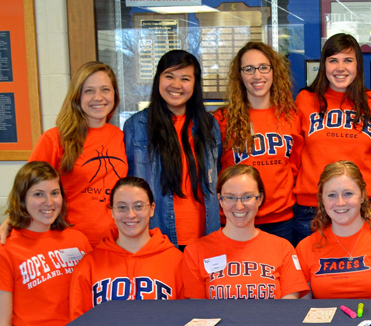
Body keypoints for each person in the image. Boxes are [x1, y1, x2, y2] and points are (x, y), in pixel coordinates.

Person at [4, 62, 127, 247]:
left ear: (114, 94)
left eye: (105, 89)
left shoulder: (121, 136)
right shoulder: (55, 139)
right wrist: (9, 222)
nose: (98, 97)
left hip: (114, 243)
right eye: (89, 91)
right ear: (77, 96)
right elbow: (26, 189)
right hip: (68, 244)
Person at [293, 33, 371, 244]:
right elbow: (294, 152)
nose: (340, 67)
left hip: (362, 205)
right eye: (333, 60)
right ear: (324, 65)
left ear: (358, 65)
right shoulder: (305, 99)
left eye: (348, 60)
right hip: (312, 207)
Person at [124, 50, 222, 248]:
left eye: (185, 78)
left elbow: (216, 174)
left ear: (195, 84)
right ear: (158, 79)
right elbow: (129, 184)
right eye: (169, 76)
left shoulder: (209, 126)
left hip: (205, 237)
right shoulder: (136, 126)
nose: (176, 85)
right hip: (155, 237)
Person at [214, 42, 303, 243]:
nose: (257, 75)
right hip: (236, 218)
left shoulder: (291, 116)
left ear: (274, 71)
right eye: (249, 69)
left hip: (281, 221)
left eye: (263, 67)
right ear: (239, 75)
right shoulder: (222, 119)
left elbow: (295, 166)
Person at [295, 161, 371, 299]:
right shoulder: (306, 248)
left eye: (348, 193)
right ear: (321, 200)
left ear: (362, 196)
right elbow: (302, 309)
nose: (340, 202)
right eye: (331, 195)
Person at [181, 165, 307, 299]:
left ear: (260, 198)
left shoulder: (283, 248)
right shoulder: (195, 251)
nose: (239, 206)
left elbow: (289, 306)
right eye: (230, 197)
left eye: (247, 197)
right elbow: (198, 309)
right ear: (220, 200)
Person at [69, 177, 184, 320]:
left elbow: (188, 318)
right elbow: (78, 320)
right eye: (122, 207)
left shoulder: (177, 261)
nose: (131, 215)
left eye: (139, 206)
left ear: (152, 209)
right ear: (112, 211)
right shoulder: (89, 265)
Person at [0, 161, 92, 325]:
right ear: (21, 198)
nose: (49, 202)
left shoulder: (79, 241)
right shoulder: (6, 249)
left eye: (54, 193)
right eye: (38, 194)